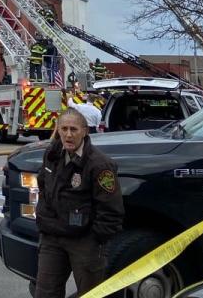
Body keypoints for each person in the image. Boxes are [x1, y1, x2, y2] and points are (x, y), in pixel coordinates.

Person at [35, 109, 124, 298]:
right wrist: (44, 220)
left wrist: (95, 240)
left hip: (84, 241)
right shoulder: (51, 155)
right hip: (52, 236)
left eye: (73, 129)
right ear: (58, 130)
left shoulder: (100, 165)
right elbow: (42, 185)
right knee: (44, 293)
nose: (68, 134)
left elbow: (112, 211)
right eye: (64, 129)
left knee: (90, 295)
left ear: (84, 131)